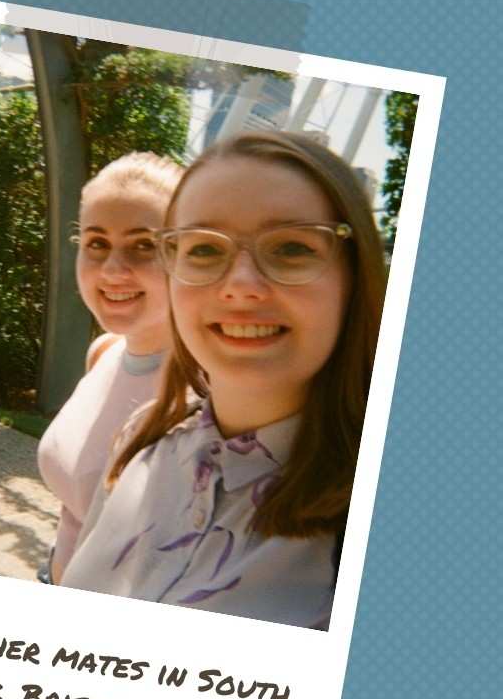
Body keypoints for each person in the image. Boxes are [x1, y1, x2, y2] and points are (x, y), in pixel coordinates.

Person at [60, 131, 387, 629]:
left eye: (291, 248)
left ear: (354, 275)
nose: (240, 286)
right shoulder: (142, 439)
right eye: (204, 250)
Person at [36, 153, 185, 583]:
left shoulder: (209, 389)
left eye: (144, 245)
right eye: (96, 243)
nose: (113, 270)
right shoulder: (103, 353)